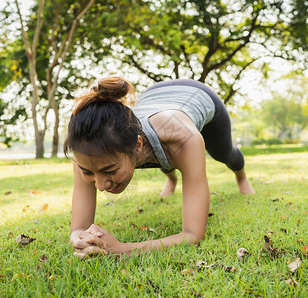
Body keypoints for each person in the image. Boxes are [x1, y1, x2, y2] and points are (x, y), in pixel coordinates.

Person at [64, 77, 255, 258]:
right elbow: (79, 227)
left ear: (137, 146)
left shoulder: (183, 138)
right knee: (161, 155)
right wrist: (79, 238)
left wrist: (122, 249)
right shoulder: (87, 146)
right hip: (152, 98)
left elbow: (193, 235)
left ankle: (241, 177)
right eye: (88, 172)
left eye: (110, 171)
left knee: (225, 154)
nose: (100, 185)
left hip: (198, 95)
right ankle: (171, 180)